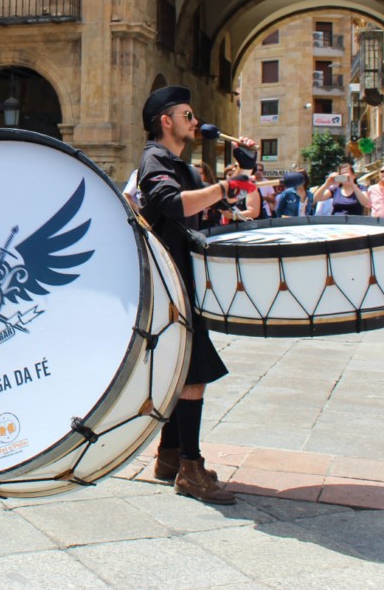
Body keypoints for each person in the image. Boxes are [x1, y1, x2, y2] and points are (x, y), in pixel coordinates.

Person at [137, 84, 255, 505]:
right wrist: (224, 188)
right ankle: (189, 466)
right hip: (172, 284)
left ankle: (171, 458)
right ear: (165, 121)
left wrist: (245, 170)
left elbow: (233, 208)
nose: (194, 120)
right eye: (187, 115)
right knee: (193, 376)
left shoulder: (179, 163)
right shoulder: (155, 161)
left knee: (186, 370)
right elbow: (172, 205)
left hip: (187, 280)